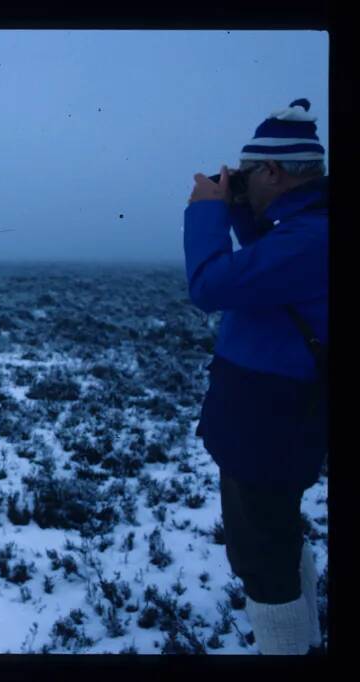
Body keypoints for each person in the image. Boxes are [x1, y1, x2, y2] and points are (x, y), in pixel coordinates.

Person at [184, 99, 328, 655]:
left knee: (261, 551)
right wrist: (240, 205)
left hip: (270, 418)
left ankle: (288, 651)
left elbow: (212, 286)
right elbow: (261, 263)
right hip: (267, 414)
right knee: (276, 532)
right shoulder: (304, 229)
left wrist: (206, 211)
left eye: (248, 175)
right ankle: (306, 641)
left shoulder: (312, 238)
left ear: (272, 171)